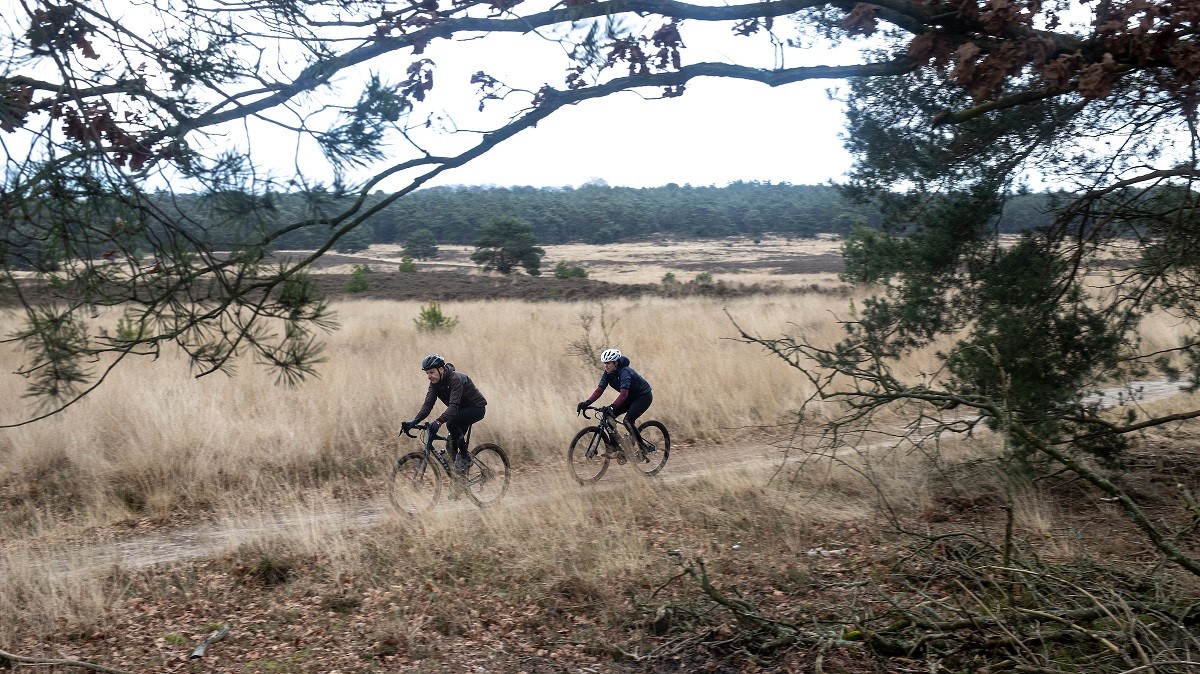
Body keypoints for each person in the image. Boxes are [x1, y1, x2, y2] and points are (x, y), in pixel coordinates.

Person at [401, 354, 487, 474]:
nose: (429, 376)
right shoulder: (435, 384)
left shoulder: (455, 379)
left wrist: (438, 421)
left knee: (451, 423)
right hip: (459, 412)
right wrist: (414, 421)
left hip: (476, 408)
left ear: (441, 369)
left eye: (431, 372)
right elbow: (428, 405)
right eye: (427, 373)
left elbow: (453, 407)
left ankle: (465, 456)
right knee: (450, 446)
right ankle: (459, 482)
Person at [576, 348, 653, 451]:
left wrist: (612, 406)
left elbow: (624, 393)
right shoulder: (608, 373)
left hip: (643, 396)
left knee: (628, 421)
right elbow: (599, 390)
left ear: (615, 363)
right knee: (608, 416)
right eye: (604, 363)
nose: (606, 366)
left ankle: (643, 447)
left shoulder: (624, 372)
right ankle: (617, 445)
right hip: (629, 397)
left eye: (608, 363)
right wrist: (587, 402)